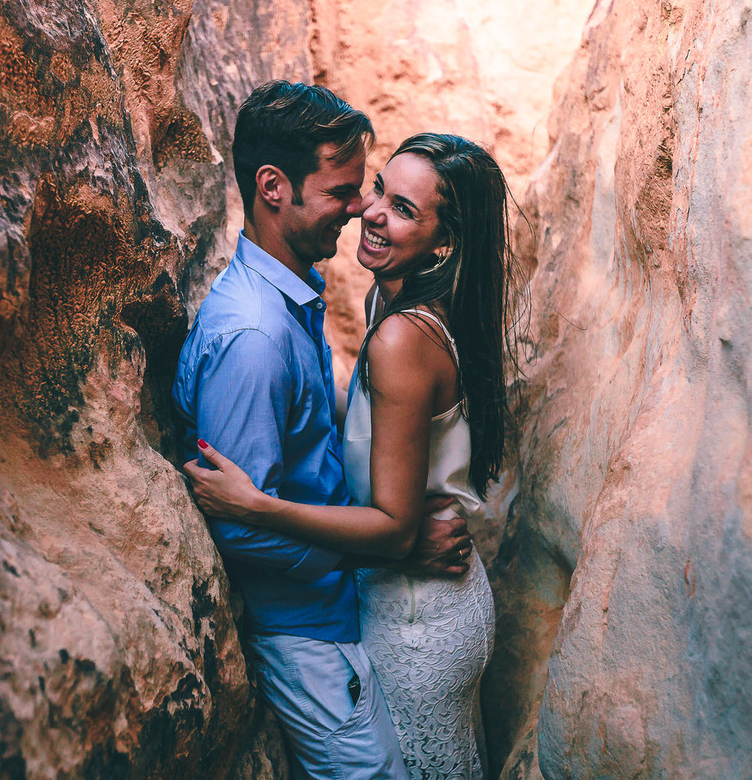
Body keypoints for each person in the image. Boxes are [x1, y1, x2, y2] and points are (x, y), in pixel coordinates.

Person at [184, 133, 517, 779]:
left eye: (403, 209)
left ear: (442, 244)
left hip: (421, 615)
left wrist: (256, 504)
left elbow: (394, 528)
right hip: (419, 591)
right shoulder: (386, 300)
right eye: (379, 191)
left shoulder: (401, 336)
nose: (371, 211)